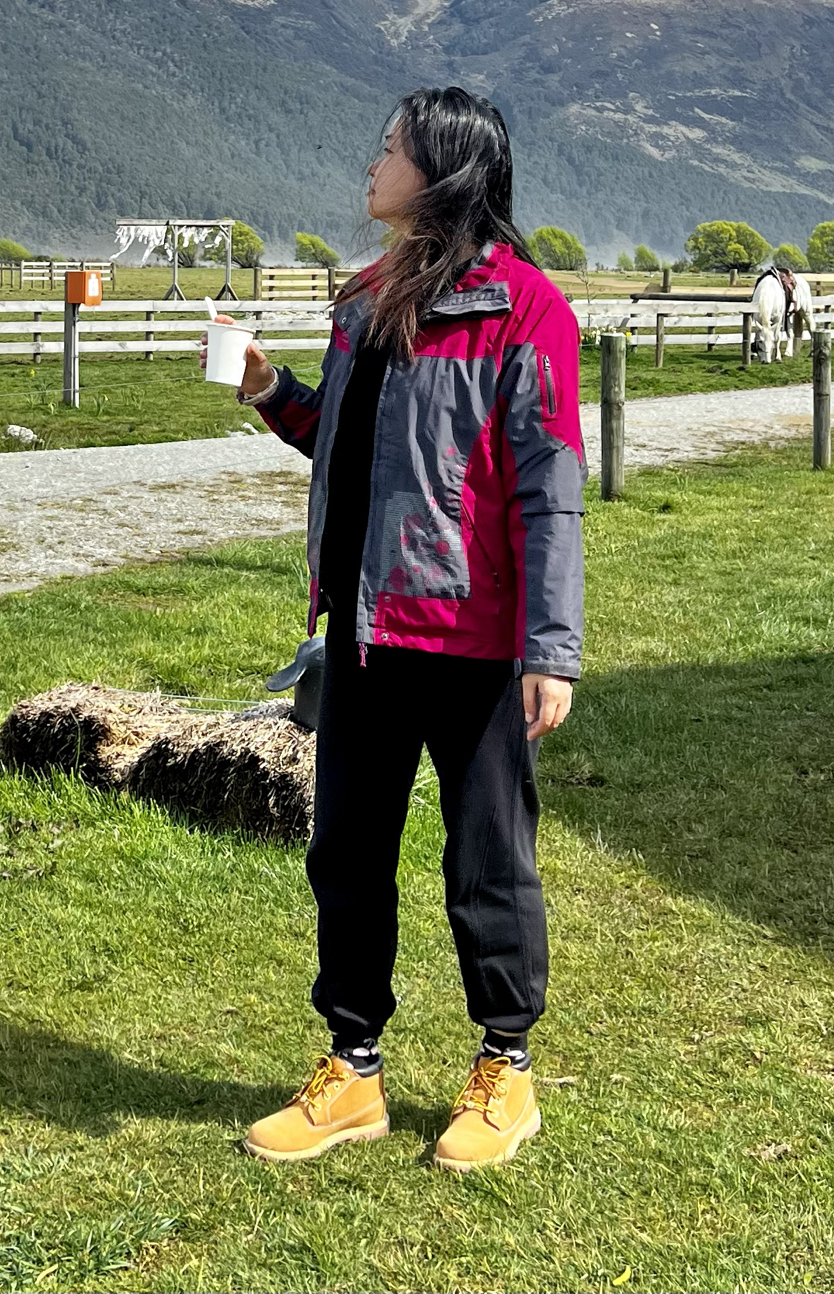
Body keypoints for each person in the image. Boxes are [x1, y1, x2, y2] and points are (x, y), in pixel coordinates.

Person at [233, 88, 586, 1172]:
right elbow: (358, 452)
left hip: (474, 643)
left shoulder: (525, 313)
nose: (371, 161)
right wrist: (273, 394)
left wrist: (548, 645)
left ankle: (504, 1071)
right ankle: (351, 1071)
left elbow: (547, 486)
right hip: (364, 635)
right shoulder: (362, 302)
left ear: (438, 169)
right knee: (344, 854)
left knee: (485, 863)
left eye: (389, 148)